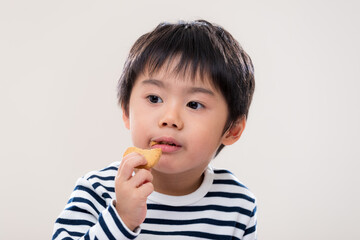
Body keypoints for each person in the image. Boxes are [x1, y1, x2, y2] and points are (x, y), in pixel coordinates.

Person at [52, 19, 257, 240]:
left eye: (194, 104)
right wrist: (121, 218)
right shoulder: (98, 190)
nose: (170, 119)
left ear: (232, 130)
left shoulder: (237, 204)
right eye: (154, 98)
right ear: (126, 112)